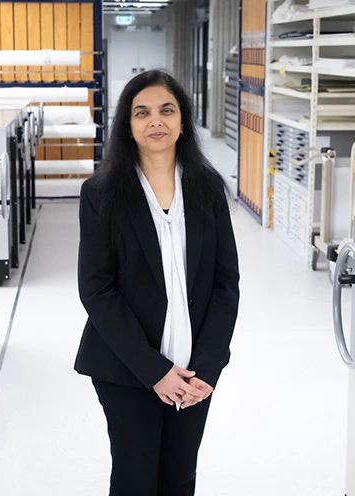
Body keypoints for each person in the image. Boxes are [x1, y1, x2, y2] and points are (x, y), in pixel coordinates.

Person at [74, 69, 240, 496]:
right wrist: (155, 372)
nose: (156, 121)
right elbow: (96, 289)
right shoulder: (102, 194)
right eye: (142, 112)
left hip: (194, 370)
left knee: (180, 476)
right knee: (135, 476)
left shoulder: (207, 190)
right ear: (128, 126)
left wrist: (208, 365)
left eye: (167, 110)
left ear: (183, 120)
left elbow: (226, 285)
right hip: (126, 368)